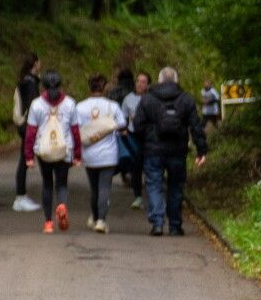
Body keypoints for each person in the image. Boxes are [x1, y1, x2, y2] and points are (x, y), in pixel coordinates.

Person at [132, 65, 207, 236]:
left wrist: (145, 142)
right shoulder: (186, 99)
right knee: (176, 186)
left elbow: (137, 125)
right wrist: (201, 150)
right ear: (176, 80)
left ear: (159, 81)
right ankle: (175, 225)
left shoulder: (147, 99)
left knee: (154, 184)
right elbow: (196, 126)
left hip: (153, 150)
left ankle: (157, 223)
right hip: (177, 150)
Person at [23, 70, 82, 233]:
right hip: (64, 149)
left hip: (44, 150)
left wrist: (29, 156)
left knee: (47, 184)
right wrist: (77, 155)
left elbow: (30, 132)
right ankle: (61, 205)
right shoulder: (70, 103)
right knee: (62, 183)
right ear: (60, 85)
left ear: (43, 86)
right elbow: (75, 131)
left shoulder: (36, 104)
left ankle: (48, 222)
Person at [75, 74, 127, 233]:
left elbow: (76, 127)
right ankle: (101, 220)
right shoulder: (113, 106)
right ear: (104, 88)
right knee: (104, 187)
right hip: (108, 153)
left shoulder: (80, 107)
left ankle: (96, 216)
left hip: (89, 153)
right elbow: (122, 123)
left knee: (94, 188)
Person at [11, 53, 43, 212]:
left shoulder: (25, 80)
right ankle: (20, 197)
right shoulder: (30, 83)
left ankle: (21, 196)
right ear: (35, 64)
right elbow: (32, 105)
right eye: (39, 62)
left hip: (24, 124)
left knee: (24, 159)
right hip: (28, 124)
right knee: (25, 160)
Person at [121, 72, 150, 208]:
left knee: (150, 166)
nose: (139, 84)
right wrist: (123, 129)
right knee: (136, 167)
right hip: (133, 135)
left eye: (143, 82)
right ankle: (138, 197)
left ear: (148, 85)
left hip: (149, 136)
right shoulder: (128, 99)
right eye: (138, 81)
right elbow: (123, 118)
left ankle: (152, 195)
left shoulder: (152, 98)